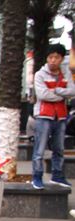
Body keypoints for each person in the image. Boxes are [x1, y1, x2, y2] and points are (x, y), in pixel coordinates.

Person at [31, 43, 75, 189]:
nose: (53, 60)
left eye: (56, 57)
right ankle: (37, 177)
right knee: (39, 149)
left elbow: (72, 91)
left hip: (61, 116)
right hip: (44, 115)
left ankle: (57, 175)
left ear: (62, 58)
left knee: (59, 149)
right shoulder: (40, 74)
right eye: (50, 57)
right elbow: (42, 95)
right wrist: (61, 93)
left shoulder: (66, 74)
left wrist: (56, 90)